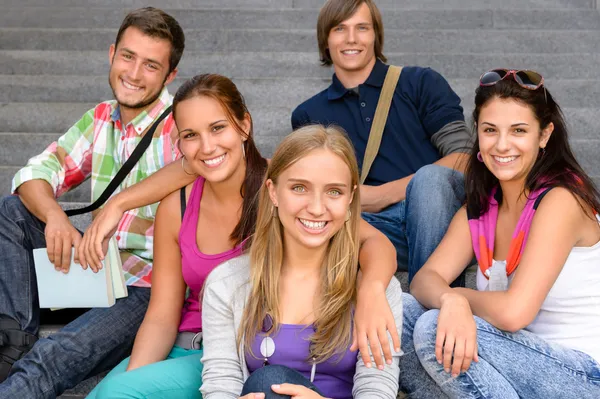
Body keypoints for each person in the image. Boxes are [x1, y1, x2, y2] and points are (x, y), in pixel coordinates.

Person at [85, 74, 401, 399]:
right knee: (109, 392)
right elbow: (162, 315)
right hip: (206, 345)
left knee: (118, 391)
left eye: (218, 128)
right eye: (191, 135)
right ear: (179, 144)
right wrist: (121, 202)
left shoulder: (287, 191)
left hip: (243, 348)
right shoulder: (183, 210)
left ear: (244, 126)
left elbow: (370, 241)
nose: (207, 146)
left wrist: (373, 289)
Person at [0, 7, 184, 398]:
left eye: (151, 65)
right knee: (12, 212)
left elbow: (200, 165)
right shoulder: (101, 118)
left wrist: (119, 204)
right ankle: (12, 341)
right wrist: (54, 218)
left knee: (54, 356)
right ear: (112, 53)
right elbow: (34, 174)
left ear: (170, 76)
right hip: (97, 269)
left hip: (147, 287)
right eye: (128, 57)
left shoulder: (182, 124)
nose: (134, 74)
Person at [401, 69, 600, 398]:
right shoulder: (481, 210)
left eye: (518, 130)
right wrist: (450, 299)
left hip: (582, 375)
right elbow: (425, 279)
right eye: (490, 130)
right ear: (477, 133)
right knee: (400, 313)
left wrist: (458, 302)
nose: (502, 144)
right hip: (512, 366)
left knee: (433, 326)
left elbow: (513, 312)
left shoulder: (562, 200)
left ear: (544, 135)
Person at [200, 124, 403, 399]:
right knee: (266, 383)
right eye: (299, 188)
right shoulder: (227, 285)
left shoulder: (378, 290)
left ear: (351, 199)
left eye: (334, 192)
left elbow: (378, 391)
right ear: (273, 192)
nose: (317, 208)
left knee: (268, 380)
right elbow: (219, 386)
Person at [291, 0, 470, 283]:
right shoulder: (308, 114)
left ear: (376, 36)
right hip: (369, 226)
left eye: (362, 28)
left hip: (437, 216)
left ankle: (432, 305)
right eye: (340, 29)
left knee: (431, 181)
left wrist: (382, 194)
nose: (351, 38)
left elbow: (465, 158)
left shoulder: (421, 82)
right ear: (326, 39)